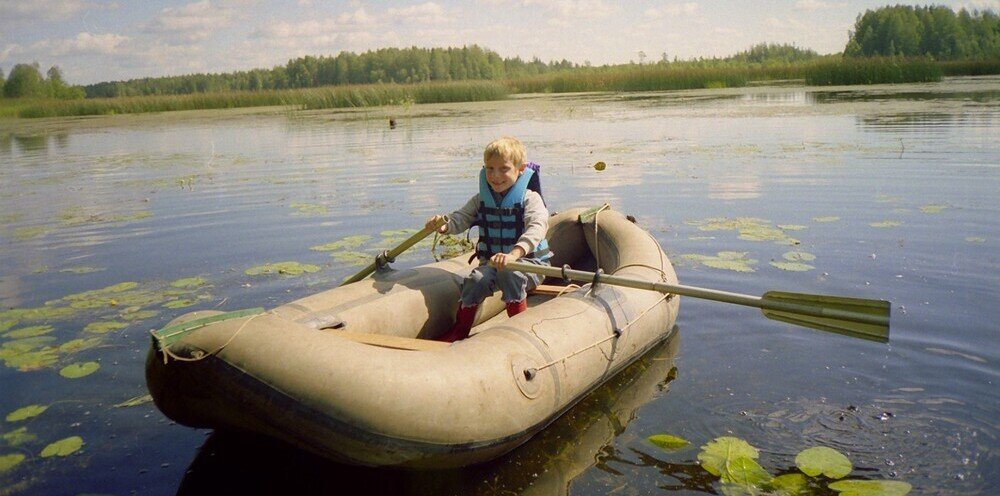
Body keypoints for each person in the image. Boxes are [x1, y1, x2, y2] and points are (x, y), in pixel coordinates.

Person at [426, 137, 552, 343]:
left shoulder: (530, 199)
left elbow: (537, 227)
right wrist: (444, 226)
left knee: (510, 274)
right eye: (490, 169)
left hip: (531, 264)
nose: (495, 176)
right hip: (493, 263)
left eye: (504, 169)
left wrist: (514, 254)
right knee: (476, 279)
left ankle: (519, 329)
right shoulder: (481, 199)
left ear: (520, 170)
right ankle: (460, 330)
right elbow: (461, 218)